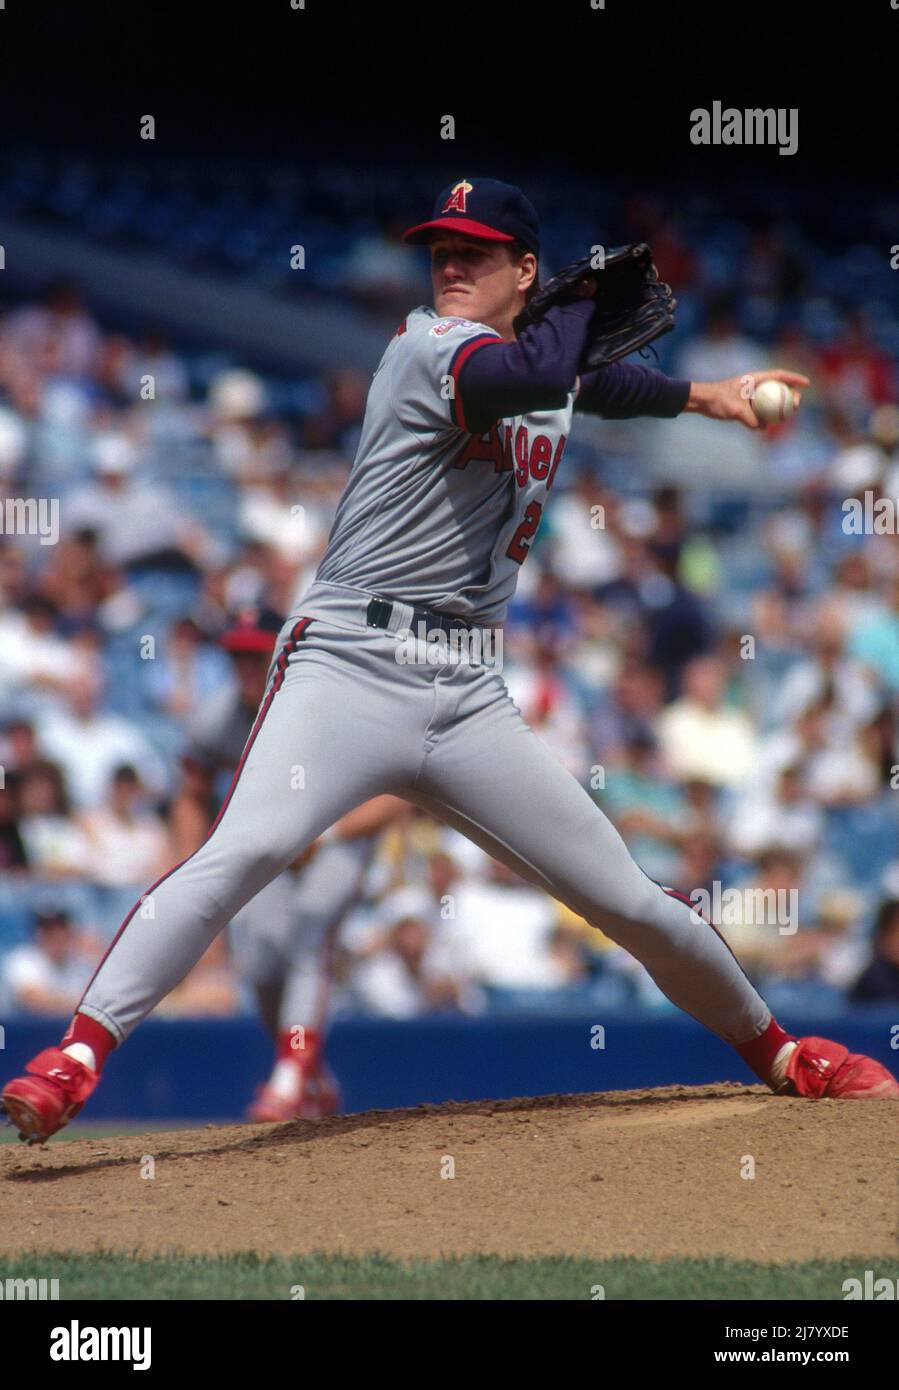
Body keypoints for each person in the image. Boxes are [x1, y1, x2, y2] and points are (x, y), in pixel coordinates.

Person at [3, 176, 896, 1144]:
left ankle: (776, 1051)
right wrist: (582, 304)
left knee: (625, 898)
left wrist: (701, 396)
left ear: (522, 270)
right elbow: (529, 377)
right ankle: (76, 1055)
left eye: (473, 251)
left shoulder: (540, 369)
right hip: (350, 657)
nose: (449, 265)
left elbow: (589, 384)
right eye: (440, 250)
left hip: (467, 687)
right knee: (246, 849)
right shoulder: (428, 345)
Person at [166, 606, 403, 1121]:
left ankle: (290, 1079)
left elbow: (398, 793)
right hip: (276, 841)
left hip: (340, 836)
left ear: (284, 652)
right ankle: (311, 1075)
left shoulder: (334, 703)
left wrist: (328, 832)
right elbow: (189, 793)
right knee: (263, 961)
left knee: (310, 933)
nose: (245, 668)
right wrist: (189, 867)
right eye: (237, 657)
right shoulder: (219, 714)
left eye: (256, 655)